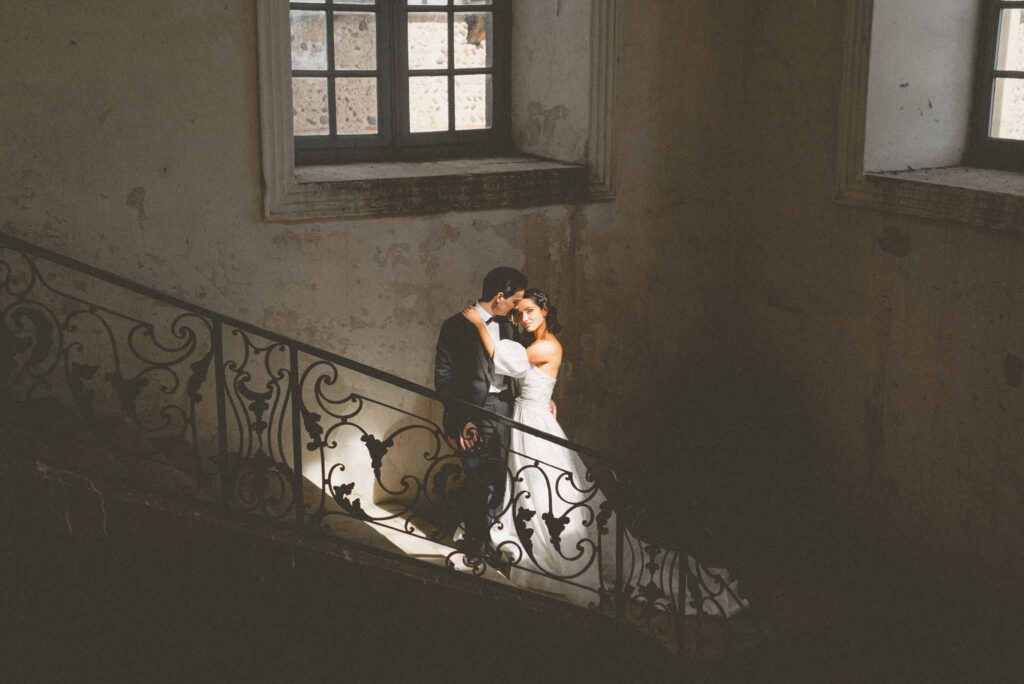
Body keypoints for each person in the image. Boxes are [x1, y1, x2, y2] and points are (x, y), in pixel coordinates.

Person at [462, 289, 747, 614]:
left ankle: (560, 551)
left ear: (544, 310)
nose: (525, 318)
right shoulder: (533, 342)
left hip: (535, 422)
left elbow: (505, 360)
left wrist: (479, 326)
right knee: (533, 486)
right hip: (529, 415)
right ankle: (527, 534)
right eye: (520, 313)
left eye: (530, 311)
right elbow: (529, 377)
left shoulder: (548, 344)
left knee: (547, 487)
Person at [434, 267, 527, 565]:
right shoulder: (455, 325)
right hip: (473, 411)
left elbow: (520, 365)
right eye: (514, 301)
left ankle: (491, 537)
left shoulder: (511, 326)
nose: (517, 308)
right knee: (476, 476)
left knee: (500, 476)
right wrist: (461, 419)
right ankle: (476, 544)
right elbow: (444, 376)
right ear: (499, 297)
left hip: (506, 408)